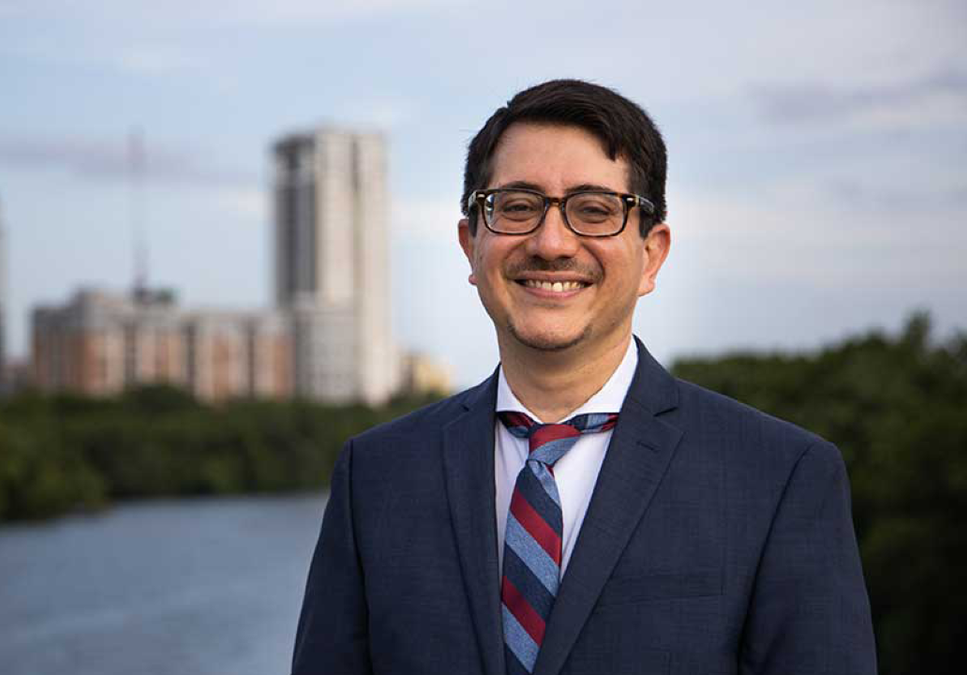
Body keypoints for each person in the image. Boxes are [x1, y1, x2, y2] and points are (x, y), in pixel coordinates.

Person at [292, 79, 877, 675]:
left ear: (652, 254)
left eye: (595, 210)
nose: (551, 243)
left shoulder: (779, 476)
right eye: (517, 206)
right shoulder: (376, 476)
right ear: (471, 245)